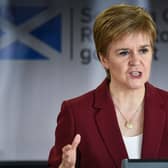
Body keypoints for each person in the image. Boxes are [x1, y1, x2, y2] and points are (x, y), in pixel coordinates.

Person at [48, 4, 168, 168]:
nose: (135, 61)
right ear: (104, 58)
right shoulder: (76, 113)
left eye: (143, 50)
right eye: (124, 52)